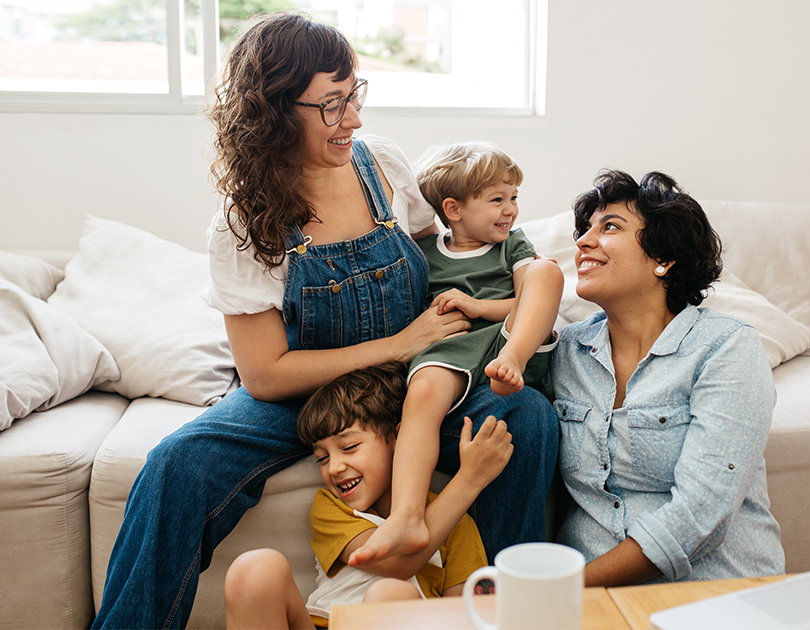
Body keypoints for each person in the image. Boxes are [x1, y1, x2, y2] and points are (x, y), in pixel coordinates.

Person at [91, 12, 558, 629]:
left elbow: (441, 263)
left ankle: (509, 616)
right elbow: (264, 374)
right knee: (177, 465)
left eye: (354, 96)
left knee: (527, 418)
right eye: (332, 106)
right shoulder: (242, 227)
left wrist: (493, 312)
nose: (355, 121)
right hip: (308, 392)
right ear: (276, 111)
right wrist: (395, 343)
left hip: (420, 376)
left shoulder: (383, 167)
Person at [547, 169, 785, 586]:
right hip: (595, 604)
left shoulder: (727, 347)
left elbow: (701, 513)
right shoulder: (566, 351)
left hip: (716, 591)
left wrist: (561, 589)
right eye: (585, 229)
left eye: (610, 227)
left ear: (663, 258)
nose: (583, 241)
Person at [350, 142, 563, 567]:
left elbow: (529, 298)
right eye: (497, 200)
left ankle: (515, 362)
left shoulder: (512, 247)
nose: (511, 210)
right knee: (424, 393)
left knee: (546, 269)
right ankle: (408, 515)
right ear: (453, 209)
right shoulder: (425, 254)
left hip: (506, 340)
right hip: (453, 346)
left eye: (514, 198)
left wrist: (481, 307)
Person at [223, 362, 510, 629]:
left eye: (348, 447)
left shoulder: (455, 524)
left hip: (402, 618)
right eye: (321, 458)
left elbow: (460, 615)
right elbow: (395, 563)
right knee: (254, 570)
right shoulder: (332, 508)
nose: (334, 467)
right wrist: (469, 480)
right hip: (325, 622)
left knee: (389, 595)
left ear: (399, 438)